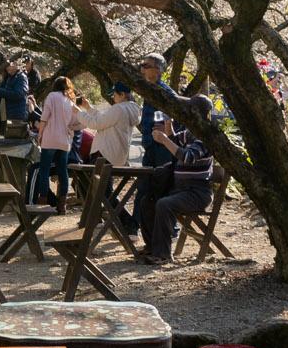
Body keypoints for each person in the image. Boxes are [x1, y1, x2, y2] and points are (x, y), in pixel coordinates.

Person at [125, 94, 217, 264]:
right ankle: (152, 247)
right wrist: (168, 125)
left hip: (196, 193)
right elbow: (176, 141)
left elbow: (187, 156)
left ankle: (163, 254)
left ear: (195, 112)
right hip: (181, 189)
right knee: (147, 201)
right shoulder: (190, 132)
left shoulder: (205, 135)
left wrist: (164, 140)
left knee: (164, 204)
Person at [27, 77, 78, 209]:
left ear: (54, 86)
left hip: (50, 138)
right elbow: (76, 121)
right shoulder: (70, 99)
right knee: (63, 171)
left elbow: (44, 118)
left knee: (44, 169)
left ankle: (43, 201)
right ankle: (62, 204)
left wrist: (40, 134)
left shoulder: (51, 96)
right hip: (64, 140)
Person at [80, 83, 139, 167]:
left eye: (114, 95)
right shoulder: (131, 109)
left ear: (122, 95)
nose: (113, 97)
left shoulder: (119, 108)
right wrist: (88, 108)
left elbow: (96, 123)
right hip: (117, 155)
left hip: (105, 153)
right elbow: (104, 119)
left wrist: (78, 113)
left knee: (96, 179)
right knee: (104, 179)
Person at [136, 54, 177, 169]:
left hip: (162, 148)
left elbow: (180, 117)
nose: (142, 68)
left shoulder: (165, 93)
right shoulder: (149, 89)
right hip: (150, 147)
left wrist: (169, 127)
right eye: (142, 65)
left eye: (146, 65)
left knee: (158, 184)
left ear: (158, 70)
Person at [0, 59, 31, 129]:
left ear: (16, 64)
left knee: (16, 137)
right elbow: (0, 91)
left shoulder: (21, 77)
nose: (7, 67)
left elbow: (18, 94)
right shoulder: (10, 77)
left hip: (17, 116)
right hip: (10, 114)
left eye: (9, 65)